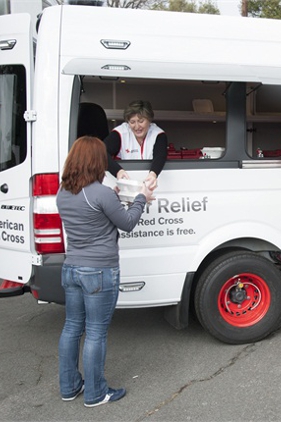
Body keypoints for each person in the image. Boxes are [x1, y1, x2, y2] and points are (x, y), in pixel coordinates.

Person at [56, 136, 155, 407]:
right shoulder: (99, 193)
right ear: (96, 162)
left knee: (72, 328)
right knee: (96, 332)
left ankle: (69, 387)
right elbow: (127, 222)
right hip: (99, 271)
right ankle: (96, 393)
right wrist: (141, 199)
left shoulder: (62, 192)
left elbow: (93, 213)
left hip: (71, 268)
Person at [104, 100, 167, 189]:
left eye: (141, 121)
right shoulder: (121, 133)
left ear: (149, 120)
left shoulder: (158, 134)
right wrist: (118, 171)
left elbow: (160, 156)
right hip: (125, 186)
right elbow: (101, 152)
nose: (137, 126)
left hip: (150, 187)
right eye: (132, 122)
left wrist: (153, 174)